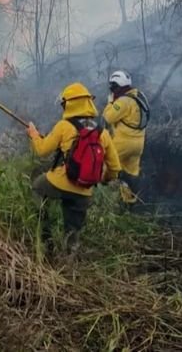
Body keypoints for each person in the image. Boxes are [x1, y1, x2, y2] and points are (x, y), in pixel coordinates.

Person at [25, 82, 122, 251]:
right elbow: (114, 168)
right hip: (84, 191)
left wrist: (33, 134)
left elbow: (42, 151)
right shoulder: (103, 133)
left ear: (68, 104)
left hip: (58, 183)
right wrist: (104, 179)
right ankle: (70, 256)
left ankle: (45, 237)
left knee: (37, 188)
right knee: (73, 231)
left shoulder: (64, 126)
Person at [102, 70, 149, 205]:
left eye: (113, 87)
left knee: (106, 165)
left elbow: (108, 117)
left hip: (123, 143)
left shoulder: (123, 101)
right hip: (138, 144)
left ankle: (103, 199)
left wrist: (110, 102)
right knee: (131, 173)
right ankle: (130, 202)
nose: (112, 90)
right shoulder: (139, 96)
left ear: (117, 86)